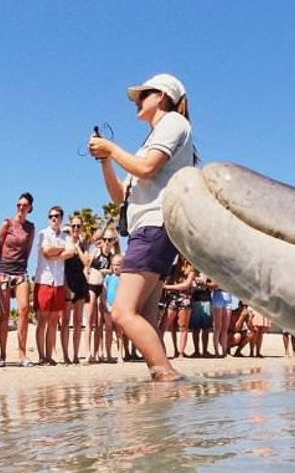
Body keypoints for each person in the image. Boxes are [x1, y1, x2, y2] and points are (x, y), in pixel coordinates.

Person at [88, 73, 196, 382]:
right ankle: (163, 391)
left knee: (122, 312)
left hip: (153, 227)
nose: (137, 101)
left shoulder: (173, 124)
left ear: (160, 96)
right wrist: (106, 162)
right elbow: (121, 196)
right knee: (146, 318)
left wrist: (112, 148)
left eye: (142, 95)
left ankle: (169, 377)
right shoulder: (152, 139)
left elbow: (147, 169)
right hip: (150, 230)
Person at [0, 192, 36, 367]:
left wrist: (20, 268)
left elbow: (28, 250)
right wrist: (4, 266)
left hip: (20, 272)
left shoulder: (30, 228)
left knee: (24, 310)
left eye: (24, 205)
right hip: (4, 270)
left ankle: (22, 354)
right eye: (19, 205)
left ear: (30, 208)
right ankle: (2, 355)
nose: (21, 208)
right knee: (4, 314)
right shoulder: (7, 223)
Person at [33, 206, 71, 366]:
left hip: (59, 282)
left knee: (54, 320)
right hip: (44, 280)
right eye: (51, 216)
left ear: (61, 218)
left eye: (56, 216)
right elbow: (46, 251)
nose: (53, 218)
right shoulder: (43, 234)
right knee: (42, 320)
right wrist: (60, 251)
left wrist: (56, 253)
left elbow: (71, 252)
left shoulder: (65, 236)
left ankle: (49, 356)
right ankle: (42, 356)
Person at [60, 214, 91, 365]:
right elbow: (61, 260)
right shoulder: (64, 242)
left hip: (80, 281)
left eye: (78, 226)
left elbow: (86, 262)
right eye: (73, 226)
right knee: (65, 320)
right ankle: (65, 354)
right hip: (67, 280)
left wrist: (78, 247)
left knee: (78, 321)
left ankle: (76, 355)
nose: (76, 228)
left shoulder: (83, 245)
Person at [86, 227, 117, 363]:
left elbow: (114, 271)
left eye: (109, 240)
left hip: (103, 288)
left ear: (113, 241)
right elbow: (86, 268)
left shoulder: (111, 256)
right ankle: (88, 352)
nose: (106, 242)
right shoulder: (96, 252)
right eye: (105, 240)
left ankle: (98, 352)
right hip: (93, 285)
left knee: (99, 322)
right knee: (89, 320)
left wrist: (106, 271)